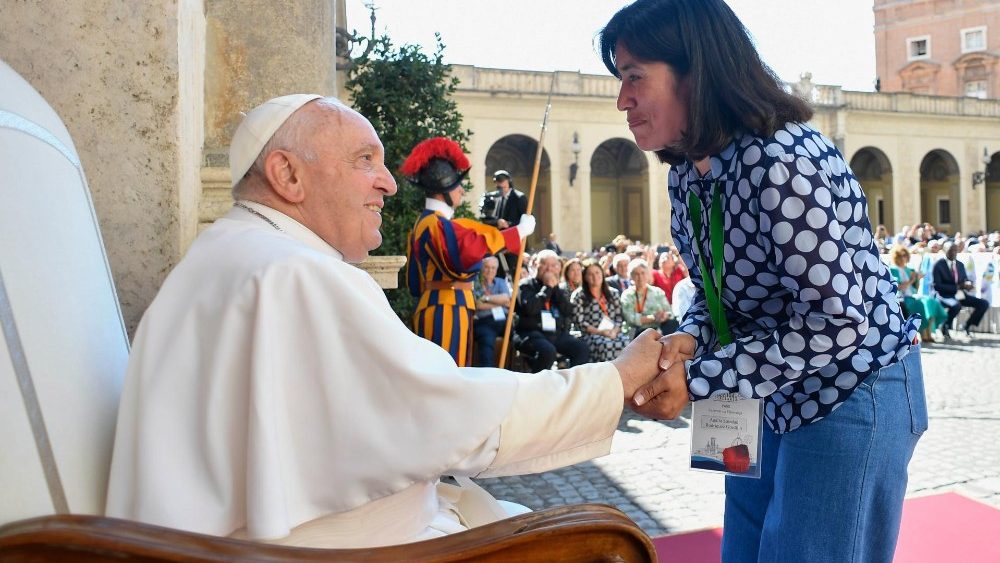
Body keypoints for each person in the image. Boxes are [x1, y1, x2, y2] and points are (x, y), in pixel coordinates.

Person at [105, 94, 671, 549]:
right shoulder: (293, 272)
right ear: (287, 175)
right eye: (363, 161)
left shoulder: (235, 255)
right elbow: (447, 418)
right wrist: (613, 380)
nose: (389, 182)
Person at [599, 2, 927, 562]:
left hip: (846, 394)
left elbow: (838, 322)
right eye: (620, 79)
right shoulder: (688, 173)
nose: (622, 98)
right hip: (768, 393)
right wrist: (692, 337)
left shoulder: (783, 160)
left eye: (635, 77)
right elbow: (712, 292)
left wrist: (700, 378)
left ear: (695, 72)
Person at [403, 137, 534, 366]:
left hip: (449, 304)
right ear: (443, 187)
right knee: (445, 379)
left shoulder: (431, 223)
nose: (462, 191)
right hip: (445, 307)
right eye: (457, 185)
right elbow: (468, 251)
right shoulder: (435, 224)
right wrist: (518, 231)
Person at [514, 249, 590, 371]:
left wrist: (555, 290)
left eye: (553, 265)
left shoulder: (557, 287)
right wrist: (547, 288)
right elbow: (531, 309)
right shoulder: (525, 285)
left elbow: (568, 311)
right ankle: (538, 385)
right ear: (535, 265)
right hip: (531, 333)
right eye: (544, 264)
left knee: (581, 348)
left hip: (555, 334)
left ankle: (572, 384)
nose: (549, 269)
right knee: (547, 351)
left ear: (558, 268)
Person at [572, 260, 631, 361]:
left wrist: (614, 331)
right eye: (590, 274)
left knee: (626, 342)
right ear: (585, 277)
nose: (595, 276)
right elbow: (580, 322)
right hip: (591, 333)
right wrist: (601, 332)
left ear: (602, 273)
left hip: (613, 332)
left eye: (597, 272)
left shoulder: (613, 293)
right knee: (605, 345)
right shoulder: (579, 296)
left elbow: (619, 317)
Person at [888, 245, 946, 343]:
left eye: (905, 255)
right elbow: (898, 287)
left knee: (931, 302)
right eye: (901, 256)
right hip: (902, 298)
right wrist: (911, 280)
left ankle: (929, 333)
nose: (904, 258)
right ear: (896, 257)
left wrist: (918, 280)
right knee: (919, 305)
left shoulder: (909, 270)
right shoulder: (892, 270)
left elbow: (915, 289)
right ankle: (924, 334)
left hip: (912, 296)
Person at [932, 241, 989, 338]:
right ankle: (946, 325)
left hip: (960, 295)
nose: (954, 253)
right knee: (956, 305)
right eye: (951, 250)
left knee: (984, 304)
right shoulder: (938, 265)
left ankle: (967, 325)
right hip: (944, 295)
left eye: (955, 250)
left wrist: (968, 284)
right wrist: (956, 287)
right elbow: (937, 286)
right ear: (945, 250)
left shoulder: (960, 264)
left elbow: (964, 279)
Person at [480, 170, 528, 277]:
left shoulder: (519, 197)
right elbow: (484, 218)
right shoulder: (491, 197)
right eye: (498, 184)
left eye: (502, 183)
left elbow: (527, 221)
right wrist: (497, 222)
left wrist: (508, 225)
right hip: (496, 242)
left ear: (508, 182)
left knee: (512, 272)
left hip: (513, 243)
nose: (500, 186)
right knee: (497, 272)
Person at [472, 255, 511, 367]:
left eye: (493, 268)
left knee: (519, 336)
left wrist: (485, 299)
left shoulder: (501, 282)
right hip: (484, 321)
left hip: (504, 320)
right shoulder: (475, 282)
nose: (490, 271)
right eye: (487, 267)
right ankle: (487, 374)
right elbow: (478, 305)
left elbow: (506, 299)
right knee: (486, 340)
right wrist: (499, 302)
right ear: (481, 268)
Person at [621, 258, 675, 337]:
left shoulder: (657, 292)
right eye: (636, 274)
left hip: (658, 328)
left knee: (672, 323)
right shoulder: (627, 295)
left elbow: (670, 312)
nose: (640, 277)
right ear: (631, 276)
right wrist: (653, 318)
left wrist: (664, 316)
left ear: (647, 274)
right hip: (636, 330)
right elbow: (630, 318)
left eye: (643, 273)